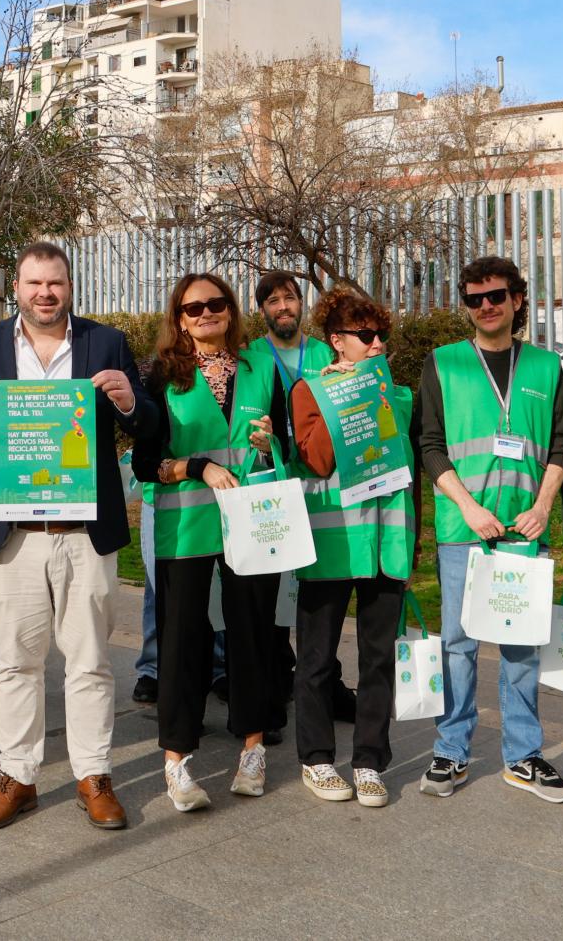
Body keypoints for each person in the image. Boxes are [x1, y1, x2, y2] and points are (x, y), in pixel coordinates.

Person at [0, 242, 155, 831]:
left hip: (84, 532)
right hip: (15, 533)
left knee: (90, 660)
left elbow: (146, 421)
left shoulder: (105, 342)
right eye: (34, 283)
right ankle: (20, 777)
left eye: (55, 283)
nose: (45, 293)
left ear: (70, 286)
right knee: (16, 663)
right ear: (17, 287)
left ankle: (93, 774)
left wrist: (129, 402)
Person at [417, 255, 563, 803]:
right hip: (466, 529)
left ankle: (523, 756)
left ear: (517, 300)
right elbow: (430, 447)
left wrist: (543, 505)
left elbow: (562, 444)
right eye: (475, 298)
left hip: (524, 531)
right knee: (458, 645)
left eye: (496, 296)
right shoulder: (443, 363)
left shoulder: (547, 367)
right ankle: (451, 751)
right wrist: (466, 508)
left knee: (521, 647)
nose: (486, 306)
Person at [131, 273, 289, 811]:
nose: (206, 315)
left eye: (216, 305)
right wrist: (196, 466)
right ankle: (177, 761)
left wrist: (269, 446)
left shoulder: (261, 366)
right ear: (179, 318)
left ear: (231, 310)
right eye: (193, 308)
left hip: (250, 522)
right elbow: (144, 462)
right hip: (186, 525)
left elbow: (284, 445)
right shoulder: (159, 376)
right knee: (181, 643)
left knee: (253, 633)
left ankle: (251, 747)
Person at [287, 289, 420, 808]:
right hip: (332, 543)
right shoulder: (310, 389)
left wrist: (412, 548)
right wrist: (355, 397)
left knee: (378, 658)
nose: (378, 344)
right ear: (337, 342)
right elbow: (317, 461)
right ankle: (317, 759)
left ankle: (369, 761)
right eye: (366, 336)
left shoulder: (400, 393)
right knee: (317, 660)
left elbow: (411, 475)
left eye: (382, 335)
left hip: (387, 543)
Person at [246, 271, 342, 735]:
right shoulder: (250, 358)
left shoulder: (324, 354)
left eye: (290, 298)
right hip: (271, 482)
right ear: (261, 309)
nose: (284, 307)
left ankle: (326, 683)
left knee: (319, 589)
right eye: (273, 301)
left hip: (322, 483)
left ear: (301, 304)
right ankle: (272, 691)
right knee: (272, 593)